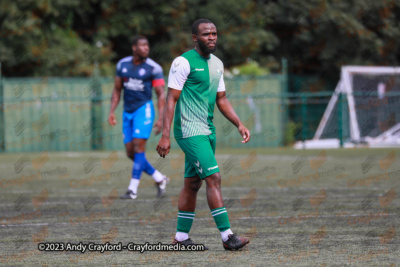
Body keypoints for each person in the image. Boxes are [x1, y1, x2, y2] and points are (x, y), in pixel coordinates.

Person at [156, 19, 251, 250]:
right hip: (189, 131)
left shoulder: (217, 64)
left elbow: (221, 99)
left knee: (192, 184)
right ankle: (228, 237)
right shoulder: (183, 62)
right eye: (206, 34)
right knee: (214, 178)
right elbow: (171, 99)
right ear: (195, 38)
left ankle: (180, 238)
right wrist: (166, 135)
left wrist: (238, 123)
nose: (212, 37)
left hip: (208, 130)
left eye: (214, 33)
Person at [109, 35, 169, 199]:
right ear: (134, 48)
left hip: (144, 110)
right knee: (130, 153)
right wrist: (111, 111)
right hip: (127, 112)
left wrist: (161, 117)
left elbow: (161, 94)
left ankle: (132, 190)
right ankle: (159, 178)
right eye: (142, 46)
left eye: (147, 46)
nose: (146, 49)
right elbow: (116, 90)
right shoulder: (123, 65)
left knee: (138, 148)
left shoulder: (153, 68)